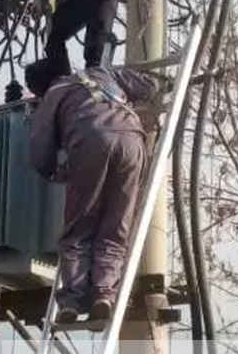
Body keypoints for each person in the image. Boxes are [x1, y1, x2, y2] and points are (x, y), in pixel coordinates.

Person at [25, 59, 153, 323]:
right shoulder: (100, 73)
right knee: (115, 227)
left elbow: (40, 150)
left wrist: (54, 172)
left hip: (90, 143)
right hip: (132, 143)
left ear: (40, 89)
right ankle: (104, 295)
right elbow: (147, 86)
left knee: (79, 229)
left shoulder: (53, 95)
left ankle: (72, 301)